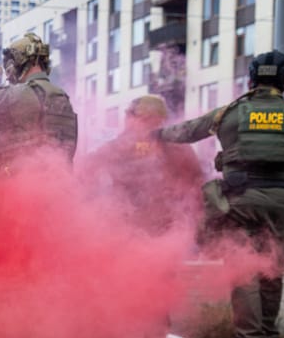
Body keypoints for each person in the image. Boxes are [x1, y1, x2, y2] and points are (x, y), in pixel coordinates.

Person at [156, 50, 284, 338]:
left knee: (244, 269)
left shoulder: (231, 113)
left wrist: (156, 135)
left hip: (241, 198)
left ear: (252, 77)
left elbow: (189, 131)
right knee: (272, 269)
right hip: (282, 201)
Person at [83, 95, 204, 235]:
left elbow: (89, 166)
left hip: (130, 225)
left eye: (128, 114)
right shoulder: (179, 145)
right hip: (169, 227)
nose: (125, 119)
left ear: (138, 116)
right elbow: (197, 184)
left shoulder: (122, 144)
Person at [0, 32, 78, 171]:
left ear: (19, 62)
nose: (8, 74)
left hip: (23, 183)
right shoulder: (62, 98)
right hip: (59, 183)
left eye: (9, 65)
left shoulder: (21, 94)